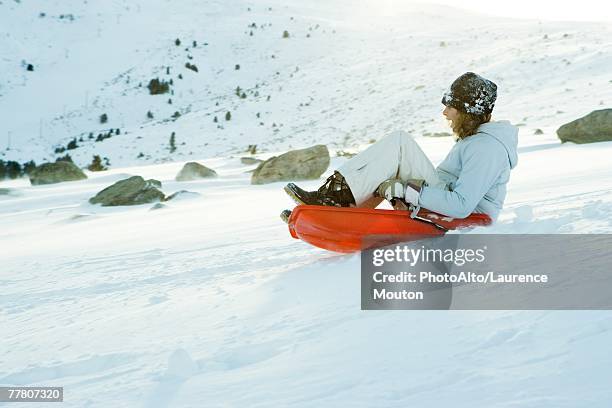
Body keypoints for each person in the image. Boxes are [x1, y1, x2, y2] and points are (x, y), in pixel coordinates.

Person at [284, 72, 518, 222]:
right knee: (396, 152)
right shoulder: (476, 142)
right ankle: (339, 210)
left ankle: (333, 202)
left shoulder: (487, 148)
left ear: (468, 111)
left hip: (467, 219)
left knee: (399, 143)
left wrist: (407, 191)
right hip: (446, 203)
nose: (445, 112)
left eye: (451, 106)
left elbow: (462, 206)